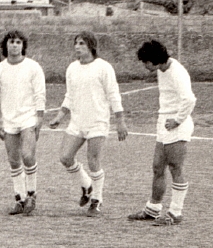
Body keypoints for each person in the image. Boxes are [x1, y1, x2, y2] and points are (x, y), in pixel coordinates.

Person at [47, 32, 127, 218]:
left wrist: (120, 120)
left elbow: (113, 94)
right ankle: (87, 185)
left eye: (81, 43)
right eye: (75, 43)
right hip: (77, 121)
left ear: (91, 46)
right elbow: (70, 95)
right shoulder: (72, 68)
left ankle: (96, 200)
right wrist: (60, 116)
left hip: (98, 122)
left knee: (93, 161)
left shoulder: (103, 67)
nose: (77, 47)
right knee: (65, 157)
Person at [129, 40, 195, 226]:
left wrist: (177, 120)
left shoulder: (178, 72)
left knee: (175, 167)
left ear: (154, 60)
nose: (144, 65)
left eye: (145, 62)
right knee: (158, 167)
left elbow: (189, 100)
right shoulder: (161, 70)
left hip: (177, 126)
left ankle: (175, 212)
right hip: (163, 124)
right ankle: (153, 209)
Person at [0, 30, 46, 215]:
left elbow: (40, 93)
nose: (14, 45)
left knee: (27, 155)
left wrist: (39, 116)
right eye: (11, 42)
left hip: (28, 117)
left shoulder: (33, 67)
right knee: (13, 160)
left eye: (18, 42)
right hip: (9, 119)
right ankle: (19, 198)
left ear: (23, 46)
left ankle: (31, 194)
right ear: (6, 45)